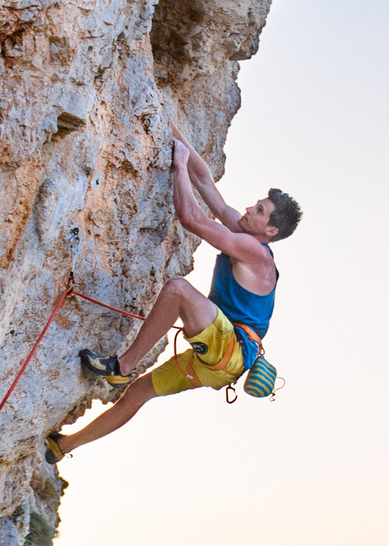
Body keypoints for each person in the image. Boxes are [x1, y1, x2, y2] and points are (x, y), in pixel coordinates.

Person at [47, 139, 299, 461]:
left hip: (230, 348)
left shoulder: (257, 255)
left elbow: (192, 220)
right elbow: (206, 182)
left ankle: (123, 366)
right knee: (138, 393)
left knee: (178, 289)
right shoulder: (244, 234)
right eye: (256, 204)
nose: (250, 208)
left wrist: (179, 165)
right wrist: (179, 140)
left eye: (260, 210)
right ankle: (63, 446)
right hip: (220, 363)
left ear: (271, 230)